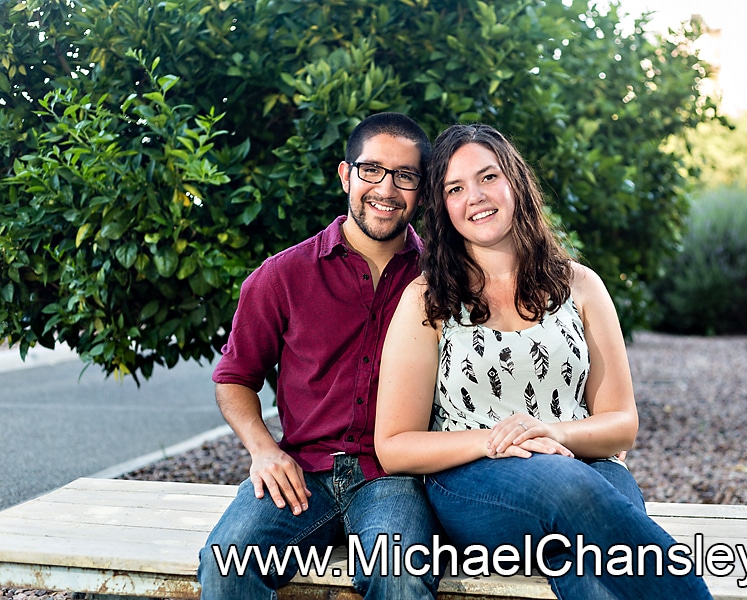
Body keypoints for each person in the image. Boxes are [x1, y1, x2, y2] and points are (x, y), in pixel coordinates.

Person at [375, 124, 713, 599]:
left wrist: (552, 432)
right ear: (444, 207)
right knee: (572, 492)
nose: (475, 196)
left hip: (588, 467)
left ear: (515, 181)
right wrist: (498, 439)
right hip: (474, 482)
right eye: (455, 188)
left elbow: (622, 424)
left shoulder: (581, 286)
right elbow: (393, 446)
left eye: (488, 177)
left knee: (591, 571)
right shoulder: (427, 300)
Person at [198, 112, 443, 599]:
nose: (386, 189)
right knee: (227, 564)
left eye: (406, 176)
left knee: (400, 575)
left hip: (392, 478)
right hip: (300, 472)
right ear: (346, 174)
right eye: (371, 169)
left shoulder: (443, 278)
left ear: (422, 188)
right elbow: (234, 376)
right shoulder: (282, 275)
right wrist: (264, 451)